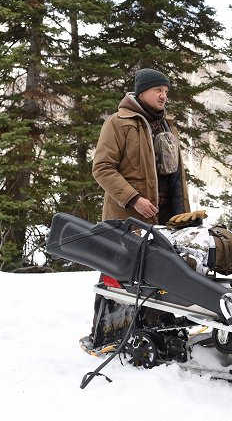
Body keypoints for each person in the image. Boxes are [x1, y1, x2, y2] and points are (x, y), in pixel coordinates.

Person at [82, 68, 191, 350]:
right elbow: (102, 168)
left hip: (165, 216)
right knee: (118, 274)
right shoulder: (118, 123)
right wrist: (133, 199)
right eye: (159, 90)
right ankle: (106, 337)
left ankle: (156, 332)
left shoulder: (167, 126)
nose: (164, 95)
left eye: (166, 91)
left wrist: (183, 215)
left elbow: (175, 174)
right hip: (127, 217)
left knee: (159, 275)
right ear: (142, 91)